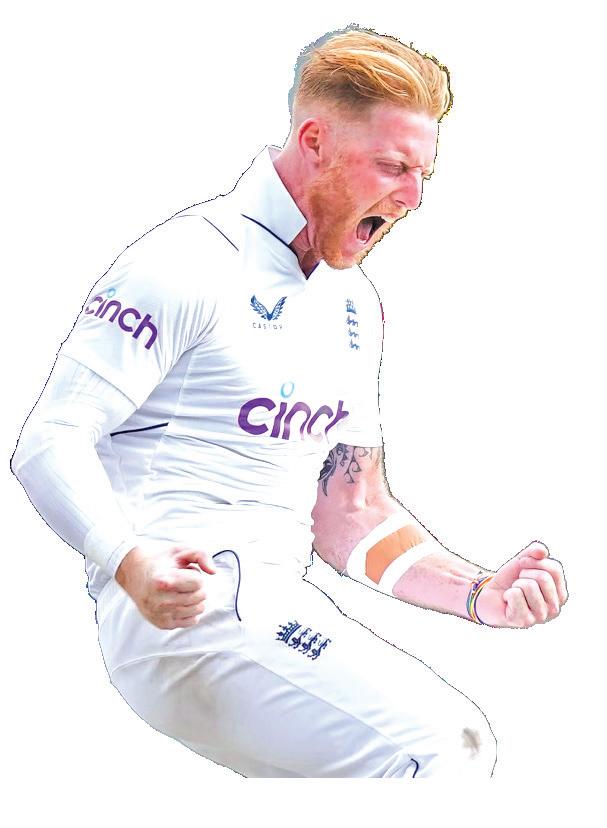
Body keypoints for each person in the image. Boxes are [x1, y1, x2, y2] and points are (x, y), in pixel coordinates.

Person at [11, 26, 568, 778]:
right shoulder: (186, 261)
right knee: (444, 748)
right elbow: (49, 439)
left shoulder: (352, 302)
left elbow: (349, 512)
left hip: (273, 602)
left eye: (423, 174)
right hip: (188, 606)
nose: (413, 199)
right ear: (314, 141)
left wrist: (474, 593)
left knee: (431, 762)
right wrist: (127, 559)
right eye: (393, 167)